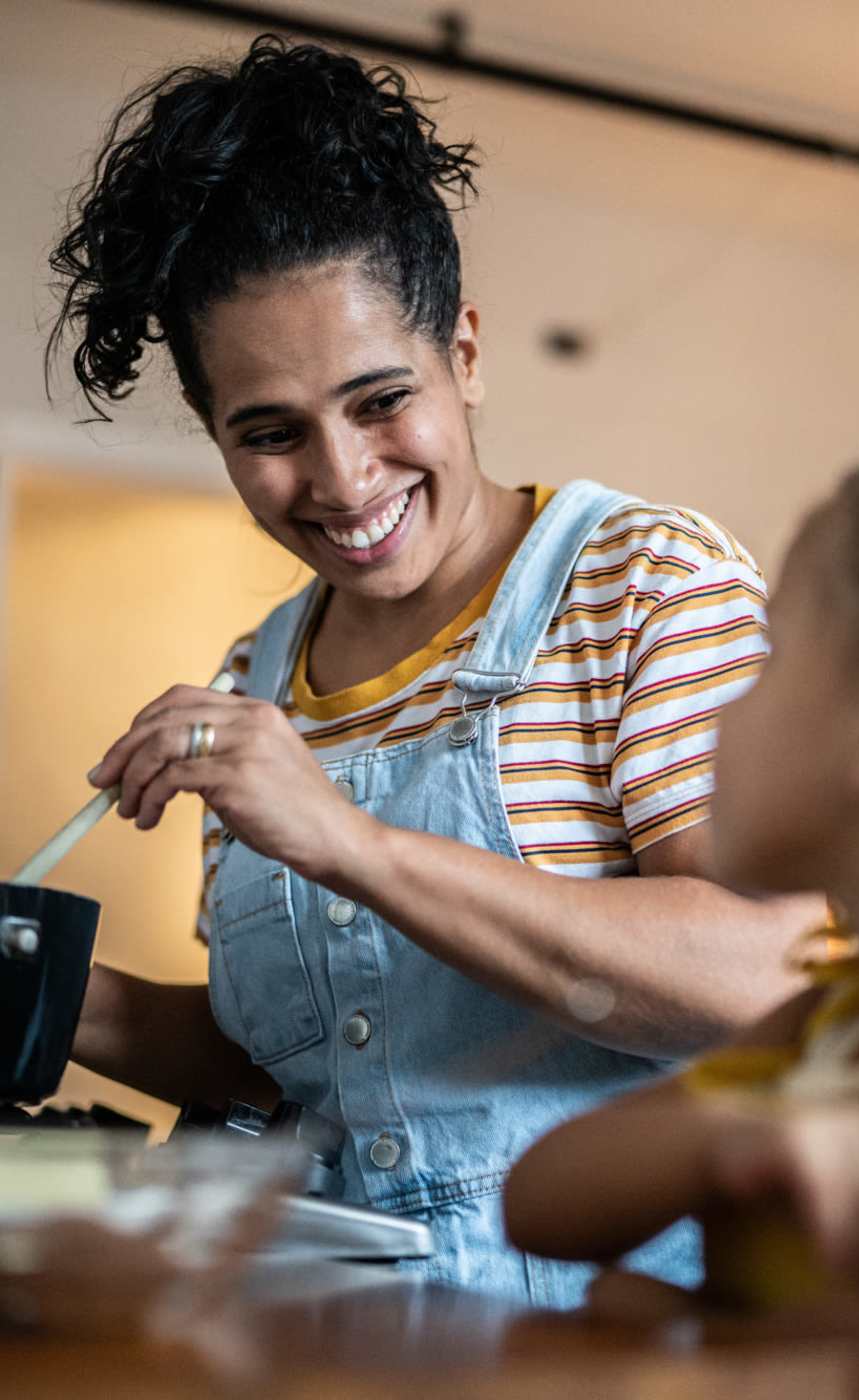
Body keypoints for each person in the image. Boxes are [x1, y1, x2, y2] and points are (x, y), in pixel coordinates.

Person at [50, 35, 817, 1304]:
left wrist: (349, 839)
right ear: (215, 433)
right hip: (336, 1341)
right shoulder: (258, 673)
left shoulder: (643, 584)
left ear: (463, 353)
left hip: (605, 1353)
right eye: (270, 433)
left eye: (379, 398)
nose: (344, 481)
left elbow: (768, 970)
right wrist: (45, 985)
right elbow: (294, 1078)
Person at [505, 432, 859, 1393]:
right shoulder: (841, 1015)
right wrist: (733, 1138)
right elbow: (539, 1201)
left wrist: (693, 1339)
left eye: (769, 661)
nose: (722, 712)